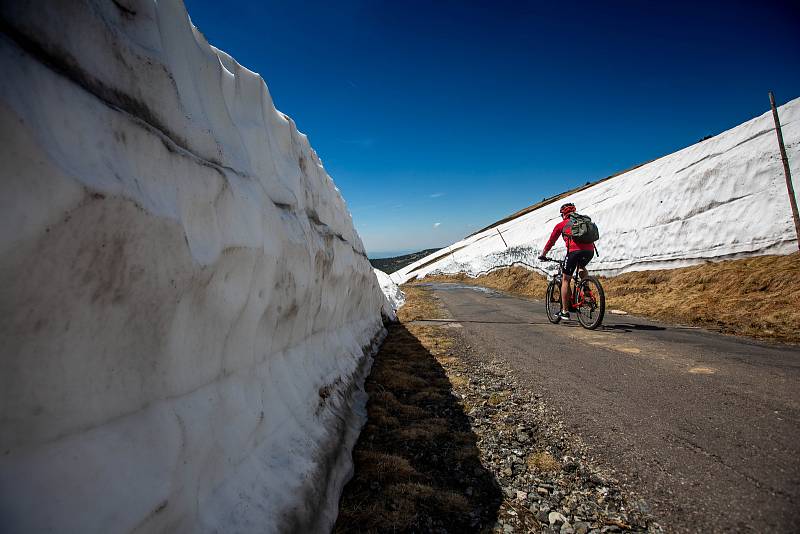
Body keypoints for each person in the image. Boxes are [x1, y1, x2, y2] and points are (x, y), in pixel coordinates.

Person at [538, 203, 594, 321]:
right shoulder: (582, 221)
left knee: (565, 279)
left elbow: (551, 240)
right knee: (581, 266)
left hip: (574, 252)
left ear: (563, 214)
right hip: (589, 251)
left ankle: (564, 311)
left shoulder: (561, 224)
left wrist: (543, 254)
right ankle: (586, 289)